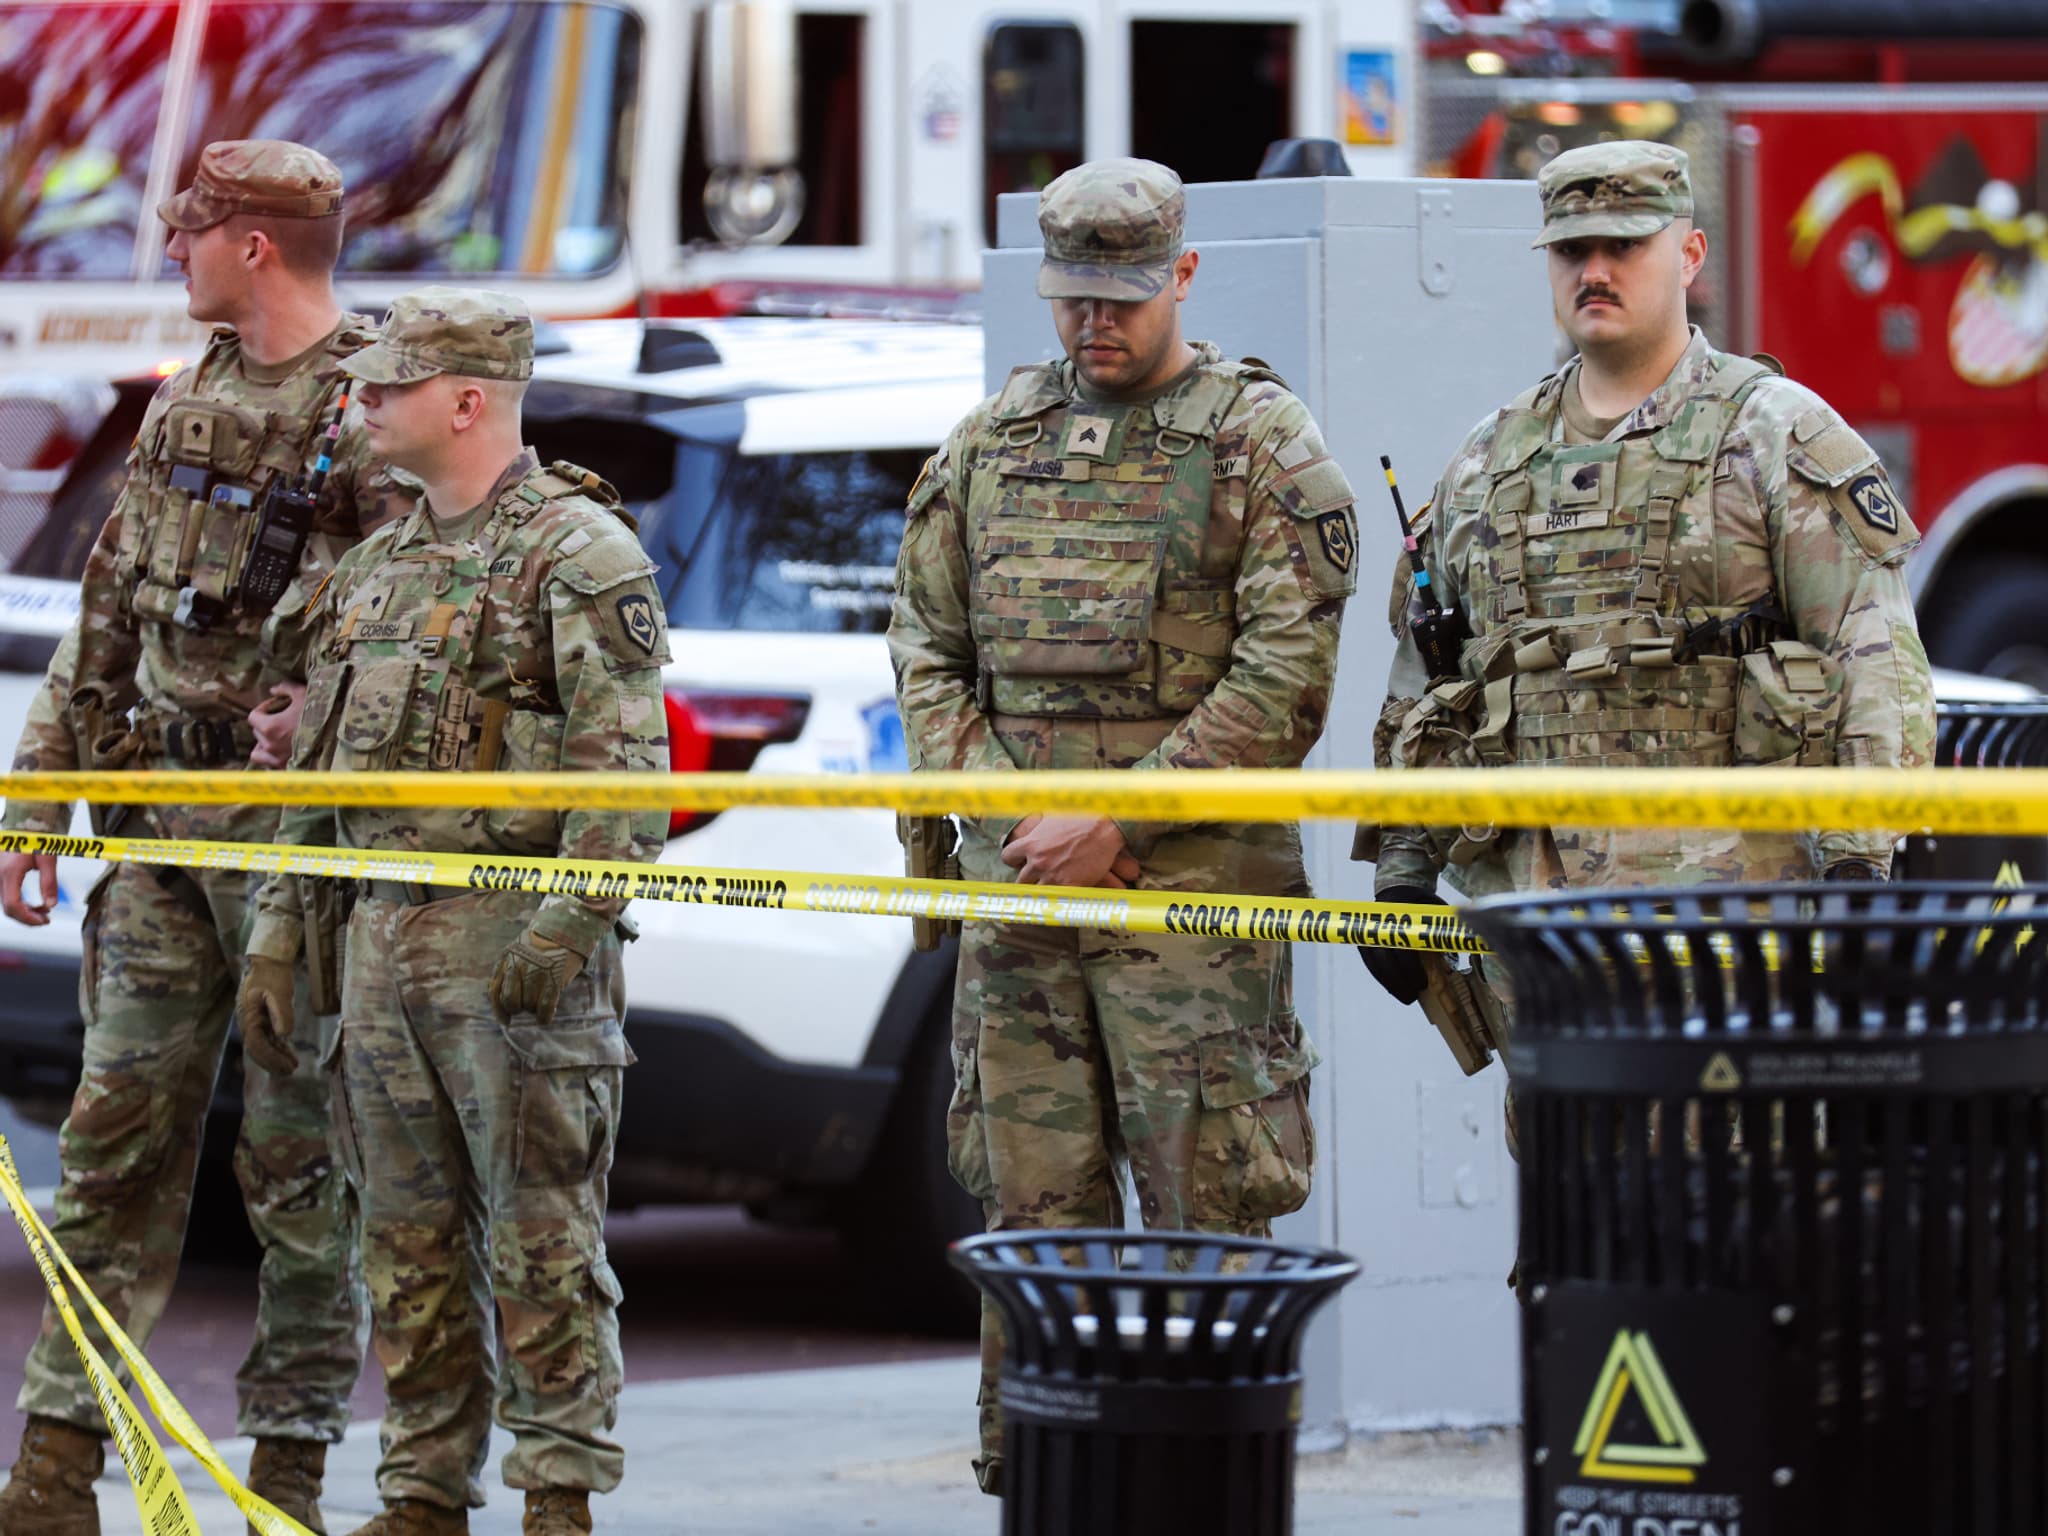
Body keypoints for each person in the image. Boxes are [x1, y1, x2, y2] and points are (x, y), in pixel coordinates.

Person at [887, 157, 1358, 1496]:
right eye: (1073, 297)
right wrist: (1014, 814)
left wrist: (1118, 814)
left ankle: (1203, 1495)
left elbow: (1285, 676)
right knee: (1032, 1219)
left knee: (1207, 1217)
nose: (1095, 323)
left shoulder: (1261, 444)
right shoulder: (992, 442)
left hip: (1185, 912)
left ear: (1184, 276)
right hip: (1025, 902)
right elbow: (925, 645)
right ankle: (1041, 1479)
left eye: (1125, 298)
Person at [1356, 141, 1935, 1158]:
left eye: (1623, 245)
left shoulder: (1773, 436)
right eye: (1570, 249)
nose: (1595, 270)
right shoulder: (1490, 459)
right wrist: (1401, 871)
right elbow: (1433, 678)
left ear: (1689, 254)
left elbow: (1871, 655)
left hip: (1729, 936)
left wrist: (1858, 866)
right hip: (1543, 936)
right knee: (1571, 1219)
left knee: (1741, 1211)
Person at [0, 139, 410, 1536]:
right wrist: (36, 801)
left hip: (296, 855)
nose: (172, 252)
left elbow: (416, 624)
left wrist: (327, 716)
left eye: (190, 231)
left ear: (253, 245)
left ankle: (284, 1478)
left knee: (300, 1170)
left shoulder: (372, 410)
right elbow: (105, 614)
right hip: (161, 842)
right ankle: (55, 1471)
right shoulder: (189, 398)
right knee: (110, 1152)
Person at [235, 289, 669, 1536]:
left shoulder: (577, 552)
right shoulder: (374, 570)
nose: (363, 400)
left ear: (468, 400)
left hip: (510, 951)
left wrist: (565, 930)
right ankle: (421, 1496)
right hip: (379, 944)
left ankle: (556, 1501)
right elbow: (322, 781)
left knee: (542, 1246)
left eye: (390, 383)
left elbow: (625, 775)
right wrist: (279, 931)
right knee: (405, 1244)